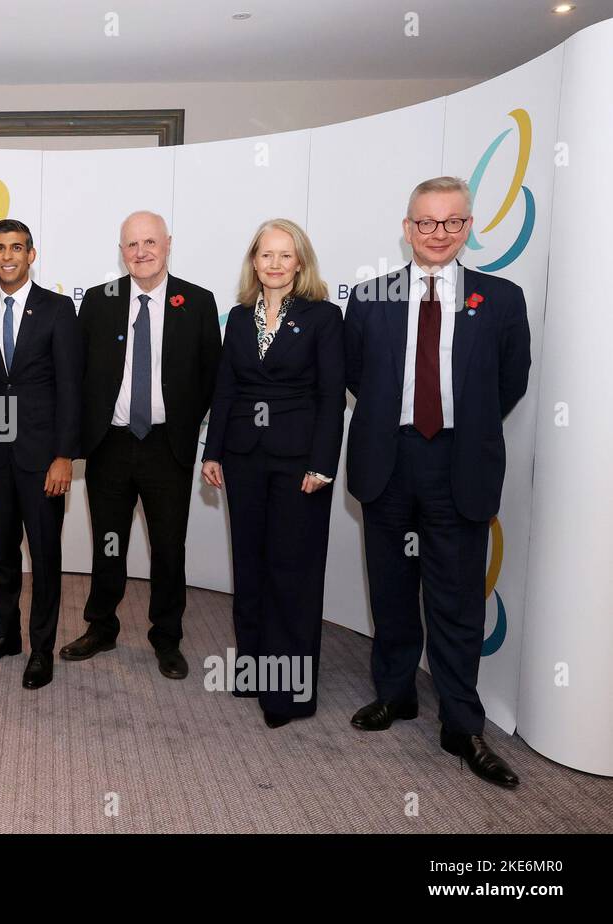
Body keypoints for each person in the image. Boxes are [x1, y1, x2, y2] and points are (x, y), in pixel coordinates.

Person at [345, 176, 530, 788]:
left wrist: (461, 422)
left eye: (452, 222)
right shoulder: (370, 298)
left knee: (454, 599)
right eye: (426, 222)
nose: (438, 233)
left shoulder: (500, 299)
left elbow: (511, 382)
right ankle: (396, 694)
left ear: (469, 226)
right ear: (407, 228)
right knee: (392, 589)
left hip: (460, 465)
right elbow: (355, 376)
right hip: (389, 461)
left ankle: (462, 723)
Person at [66, 210, 222, 679]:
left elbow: (212, 379)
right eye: (131, 245)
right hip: (109, 446)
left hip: (166, 446)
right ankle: (102, 626)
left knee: (169, 548)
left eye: (150, 242)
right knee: (108, 543)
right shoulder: (98, 301)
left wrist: (190, 429)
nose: (141, 252)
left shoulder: (196, 302)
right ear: (121, 251)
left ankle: (166, 636)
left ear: (168, 243)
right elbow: (77, 377)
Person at [200, 219, 344, 727]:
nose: (276, 264)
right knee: (253, 564)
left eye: (286, 255)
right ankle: (254, 666)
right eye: (266, 255)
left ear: (300, 262)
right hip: (243, 456)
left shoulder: (324, 317)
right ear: (254, 262)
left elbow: (332, 397)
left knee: (293, 572)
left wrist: (323, 463)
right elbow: (225, 388)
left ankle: (289, 690)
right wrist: (212, 451)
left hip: (298, 462)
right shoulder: (239, 319)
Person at [0, 219, 82, 690]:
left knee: (45, 555)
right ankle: (5, 636)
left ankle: (41, 649)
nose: (7, 255)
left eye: (16, 247)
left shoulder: (57, 309)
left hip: (43, 458)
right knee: (3, 553)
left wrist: (64, 456)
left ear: (32, 255)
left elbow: (71, 388)